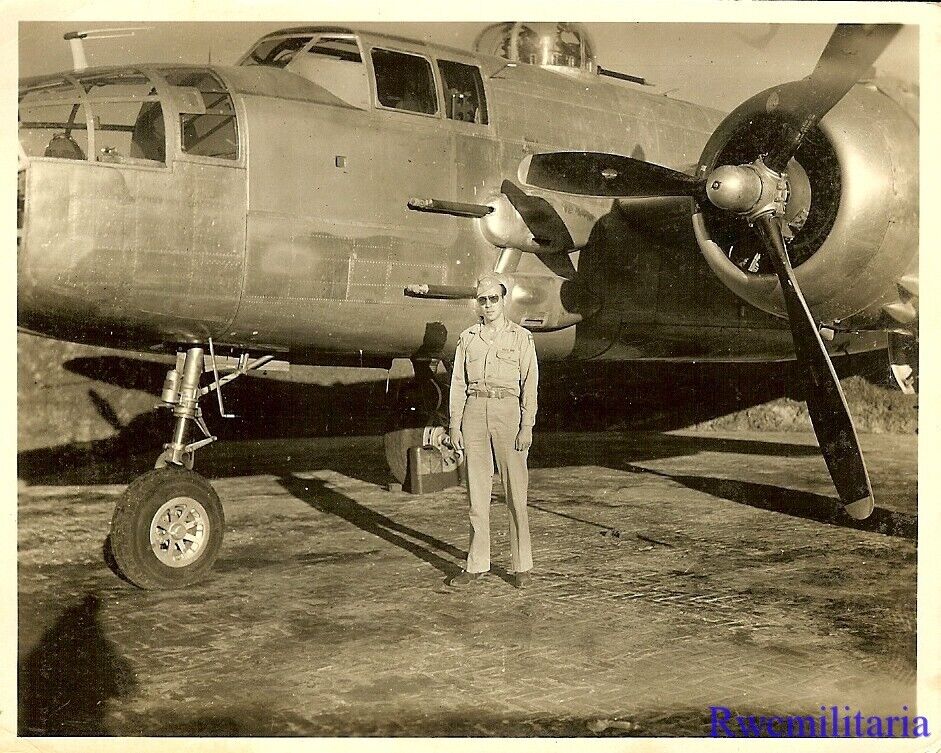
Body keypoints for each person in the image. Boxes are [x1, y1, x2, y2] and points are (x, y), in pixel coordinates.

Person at [448, 273, 538, 589]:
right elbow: (457, 384)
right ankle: (476, 565)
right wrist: (454, 424)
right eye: (482, 300)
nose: (488, 305)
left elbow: (530, 385)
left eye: (493, 299)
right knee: (477, 494)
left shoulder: (521, 337)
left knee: (516, 492)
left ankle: (522, 566)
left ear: (503, 300)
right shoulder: (468, 339)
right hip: (474, 411)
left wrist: (526, 426)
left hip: (508, 411)